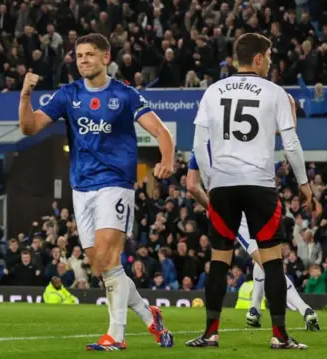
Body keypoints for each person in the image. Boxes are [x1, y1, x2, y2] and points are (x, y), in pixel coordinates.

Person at [18, 33, 175, 351]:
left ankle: (116, 335)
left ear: (106, 57)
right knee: (104, 267)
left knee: (107, 256)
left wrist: (167, 159)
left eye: (90, 54)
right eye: (79, 55)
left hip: (116, 182)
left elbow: (160, 130)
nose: (83, 60)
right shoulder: (67, 94)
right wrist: (25, 96)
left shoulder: (124, 94)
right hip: (81, 187)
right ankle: (149, 315)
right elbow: (30, 127)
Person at [185, 33, 310, 349]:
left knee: (219, 262)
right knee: (272, 261)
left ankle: (210, 333)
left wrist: (212, 180)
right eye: (268, 55)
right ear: (257, 58)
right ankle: (279, 336)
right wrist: (304, 183)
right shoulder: (274, 92)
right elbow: (291, 143)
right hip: (259, 185)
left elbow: (199, 144)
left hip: (223, 186)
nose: (270, 61)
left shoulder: (213, 92)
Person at [187, 152, 320, 331]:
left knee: (266, 263)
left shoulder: (202, 139)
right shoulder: (238, 134)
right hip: (262, 196)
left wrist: (213, 208)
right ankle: (254, 309)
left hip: (231, 203)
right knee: (265, 256)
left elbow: (192, 187)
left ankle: (305, 309)